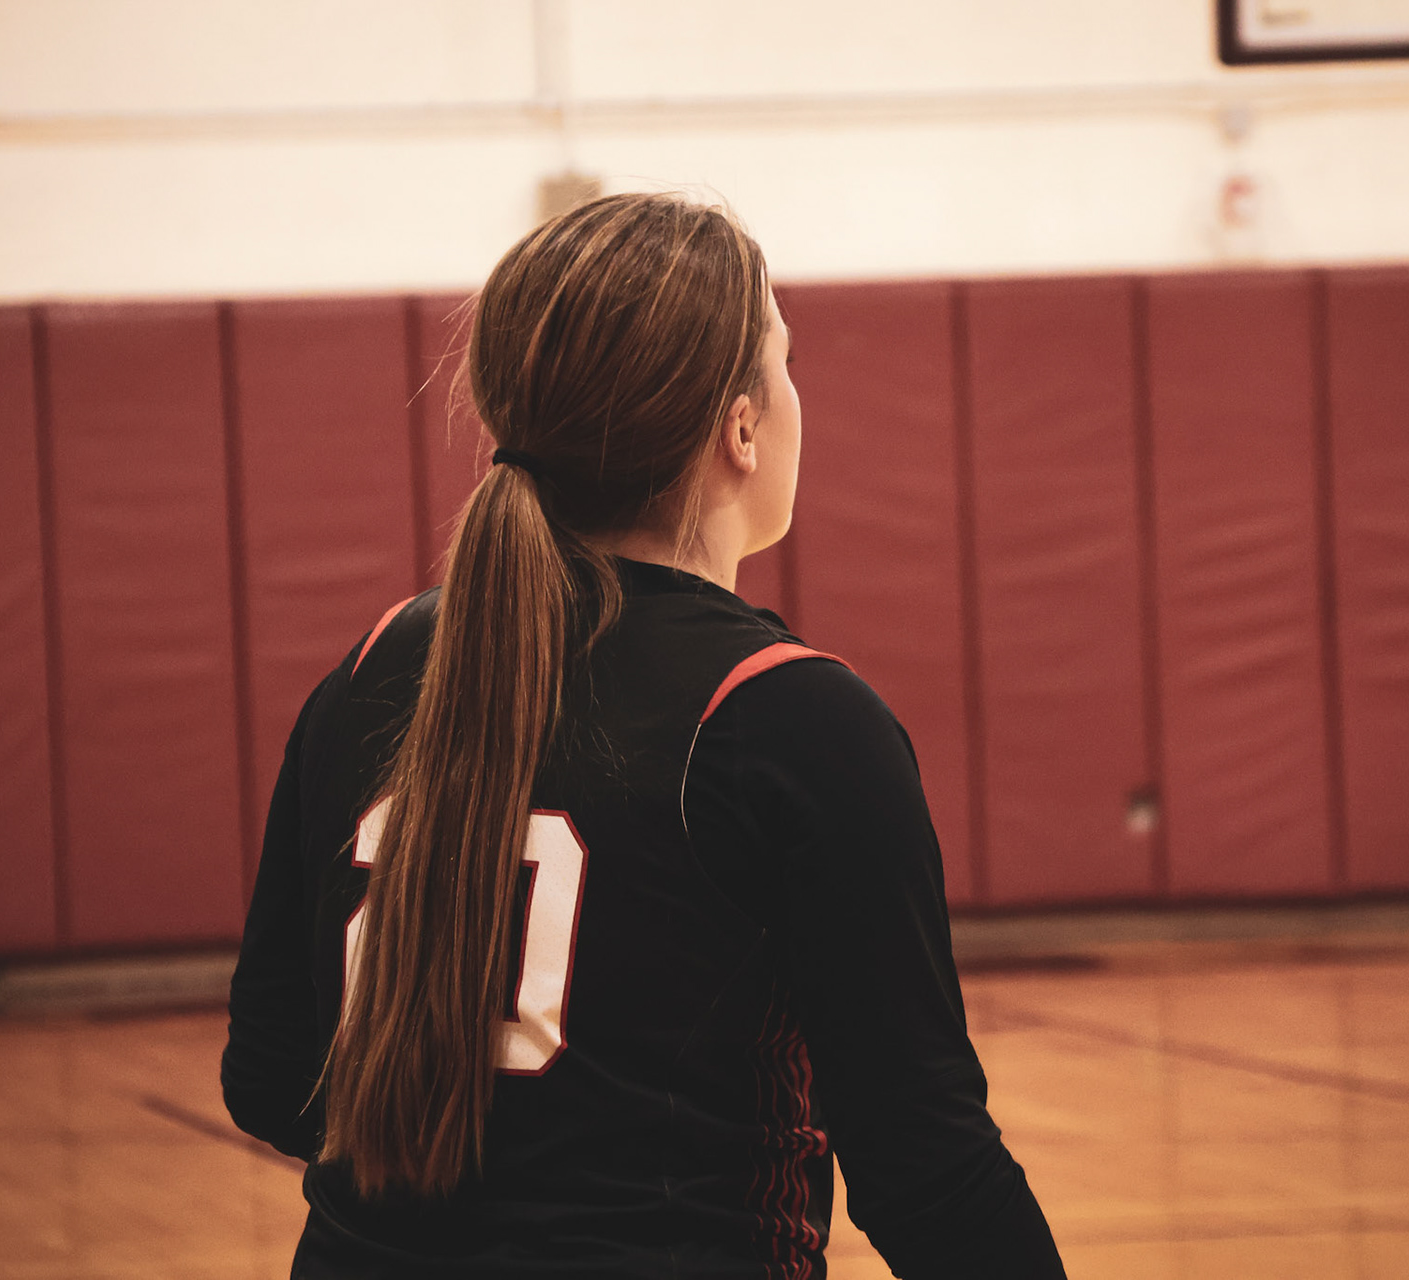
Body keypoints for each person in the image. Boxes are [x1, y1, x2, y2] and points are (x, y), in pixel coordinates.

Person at [222, 191, 1064, 1279]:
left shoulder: (371, 670)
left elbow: (272, 1076)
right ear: (741, 428)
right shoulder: (793, 718)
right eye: (787, 363)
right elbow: (928, 1171)